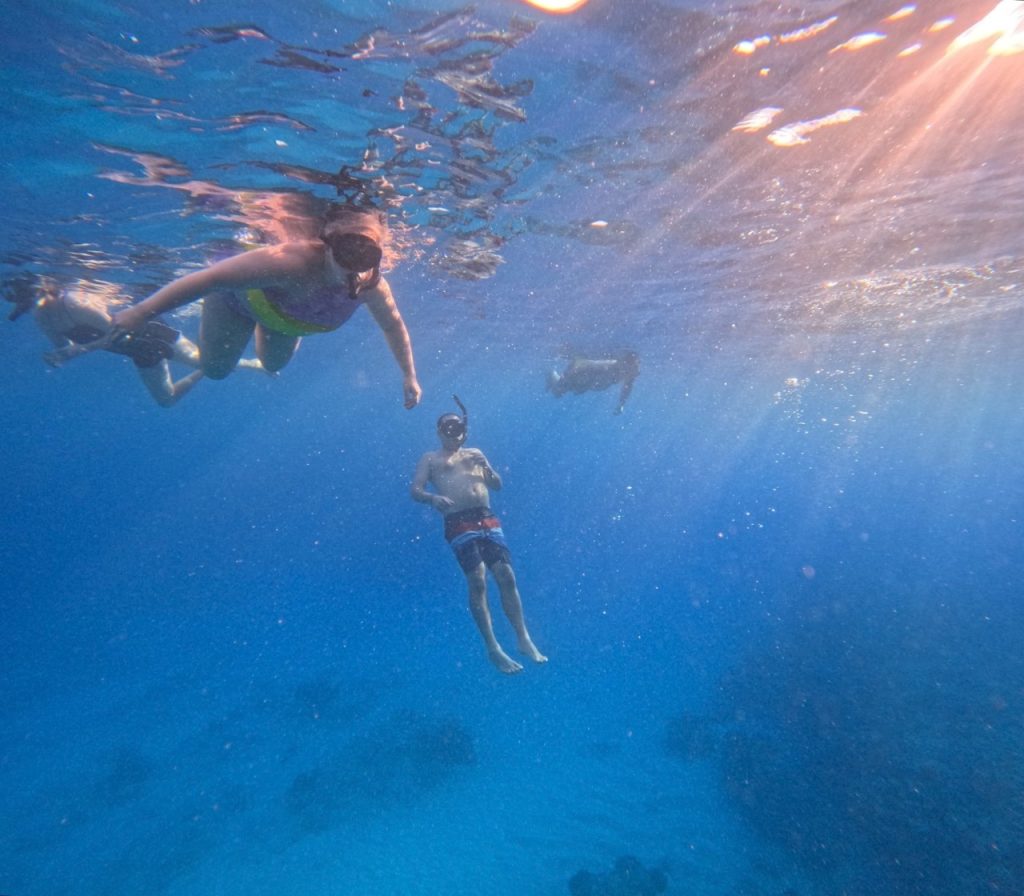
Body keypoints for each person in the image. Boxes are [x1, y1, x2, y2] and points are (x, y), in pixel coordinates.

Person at [110, 204, 422, 409]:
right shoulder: (290, 263)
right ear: (327, 243)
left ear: (381, 252)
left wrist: (409, 375)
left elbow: (392, 325)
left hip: (283, 320)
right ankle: (182, 343)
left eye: (367, 254)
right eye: (348, 250)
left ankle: (257, 339)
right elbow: (209, 278)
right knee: (215, 370)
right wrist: (141, 312)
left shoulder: (372, 286)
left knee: (273, 365)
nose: (355, 266)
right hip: (235, 303)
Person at [410, 397, 547, 674]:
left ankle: (523, 637)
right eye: (447, 430)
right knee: (478, 581)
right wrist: (432, 499)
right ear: (439, 432)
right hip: (458, 521)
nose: (453, 434)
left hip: (486, 517)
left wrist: (487, 466)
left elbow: (497, 485)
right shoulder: (430, 458)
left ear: (465, 431)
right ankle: (493, 647)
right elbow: (416, 489)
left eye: (457, 429)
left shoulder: (475, 453)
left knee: (507, 576)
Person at [4, 274, 260, 407]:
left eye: (31, 301)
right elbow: (64, 348)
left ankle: (254, 365)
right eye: (26, 305)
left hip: (152, 334)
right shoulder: (44, 319)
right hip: (138, 351)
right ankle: (207, 369)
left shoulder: (74, 303)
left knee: (208, 362)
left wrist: (76, 352)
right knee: (167, 400)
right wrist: (58, 356)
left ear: (42, 290)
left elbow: (119, 332)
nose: (33, 308)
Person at [547, 350, 640, 414]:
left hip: (584, 382)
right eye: (633, 368)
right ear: (623, 363)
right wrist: (569, 379)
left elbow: (627, 388)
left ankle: (553, 377)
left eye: (635, 369)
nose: (635, 373)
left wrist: (621, 405)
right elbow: (584, 365)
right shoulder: (607, 367)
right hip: (577, 375)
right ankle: (551, 373)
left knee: (558, 393)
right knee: (558, 392)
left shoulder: (628, 374)